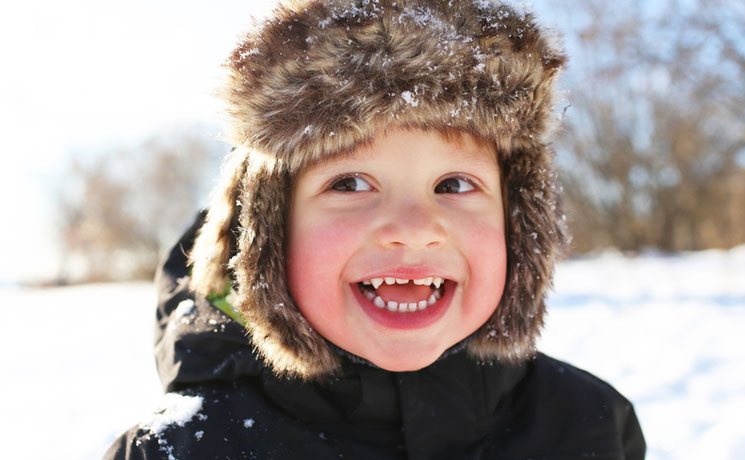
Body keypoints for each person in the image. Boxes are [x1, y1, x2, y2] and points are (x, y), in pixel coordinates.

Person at [105, 0, 646, 458]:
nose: (413, 230)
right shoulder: (179, 449)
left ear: (519, 227)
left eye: (454, 185)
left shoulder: (588, 425)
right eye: (350, 184)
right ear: (267, 236)